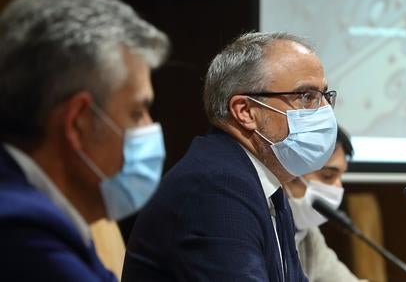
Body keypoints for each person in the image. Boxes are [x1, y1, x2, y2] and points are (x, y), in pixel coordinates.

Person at [123, 32, 338, 281]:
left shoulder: (265, 185)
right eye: (306, 97)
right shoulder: (215, 186)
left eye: (325, 96)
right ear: (245, 111)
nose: (324, 110)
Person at [0, 0, 170, 281]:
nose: (149, 126)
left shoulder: (50, 220)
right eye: (137, 111)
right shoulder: (25, 241)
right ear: (78, 122)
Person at [285, 127, 365, 282]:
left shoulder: (308, 234)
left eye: (341, 177)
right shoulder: (257, 224)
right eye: (328, 175)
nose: (338, 187)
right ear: (288, 171)